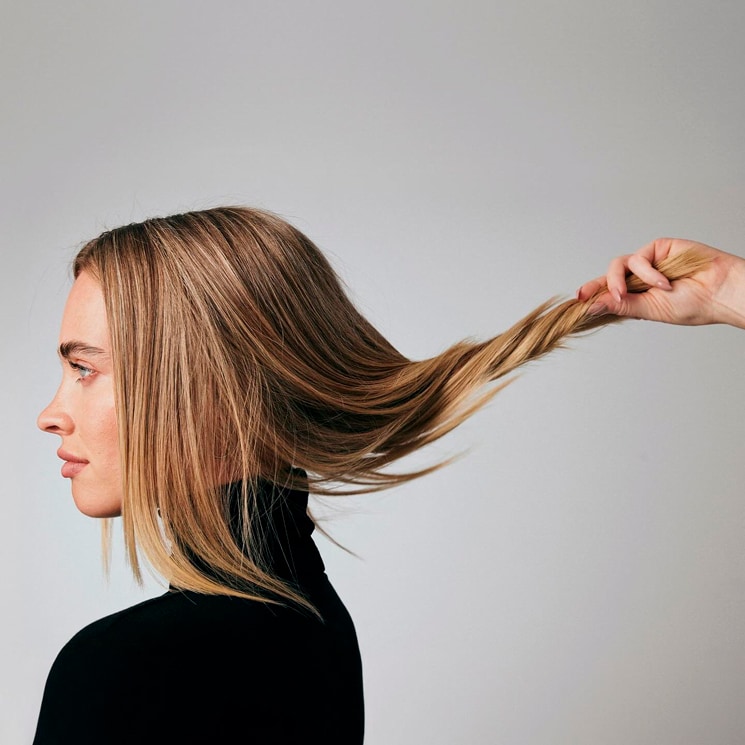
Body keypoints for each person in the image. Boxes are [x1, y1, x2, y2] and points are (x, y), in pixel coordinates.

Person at [32, 209, 743, 744]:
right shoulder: (308, 628)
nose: (50, 413)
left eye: (84, 368)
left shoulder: (125, 666)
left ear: (207, 386)